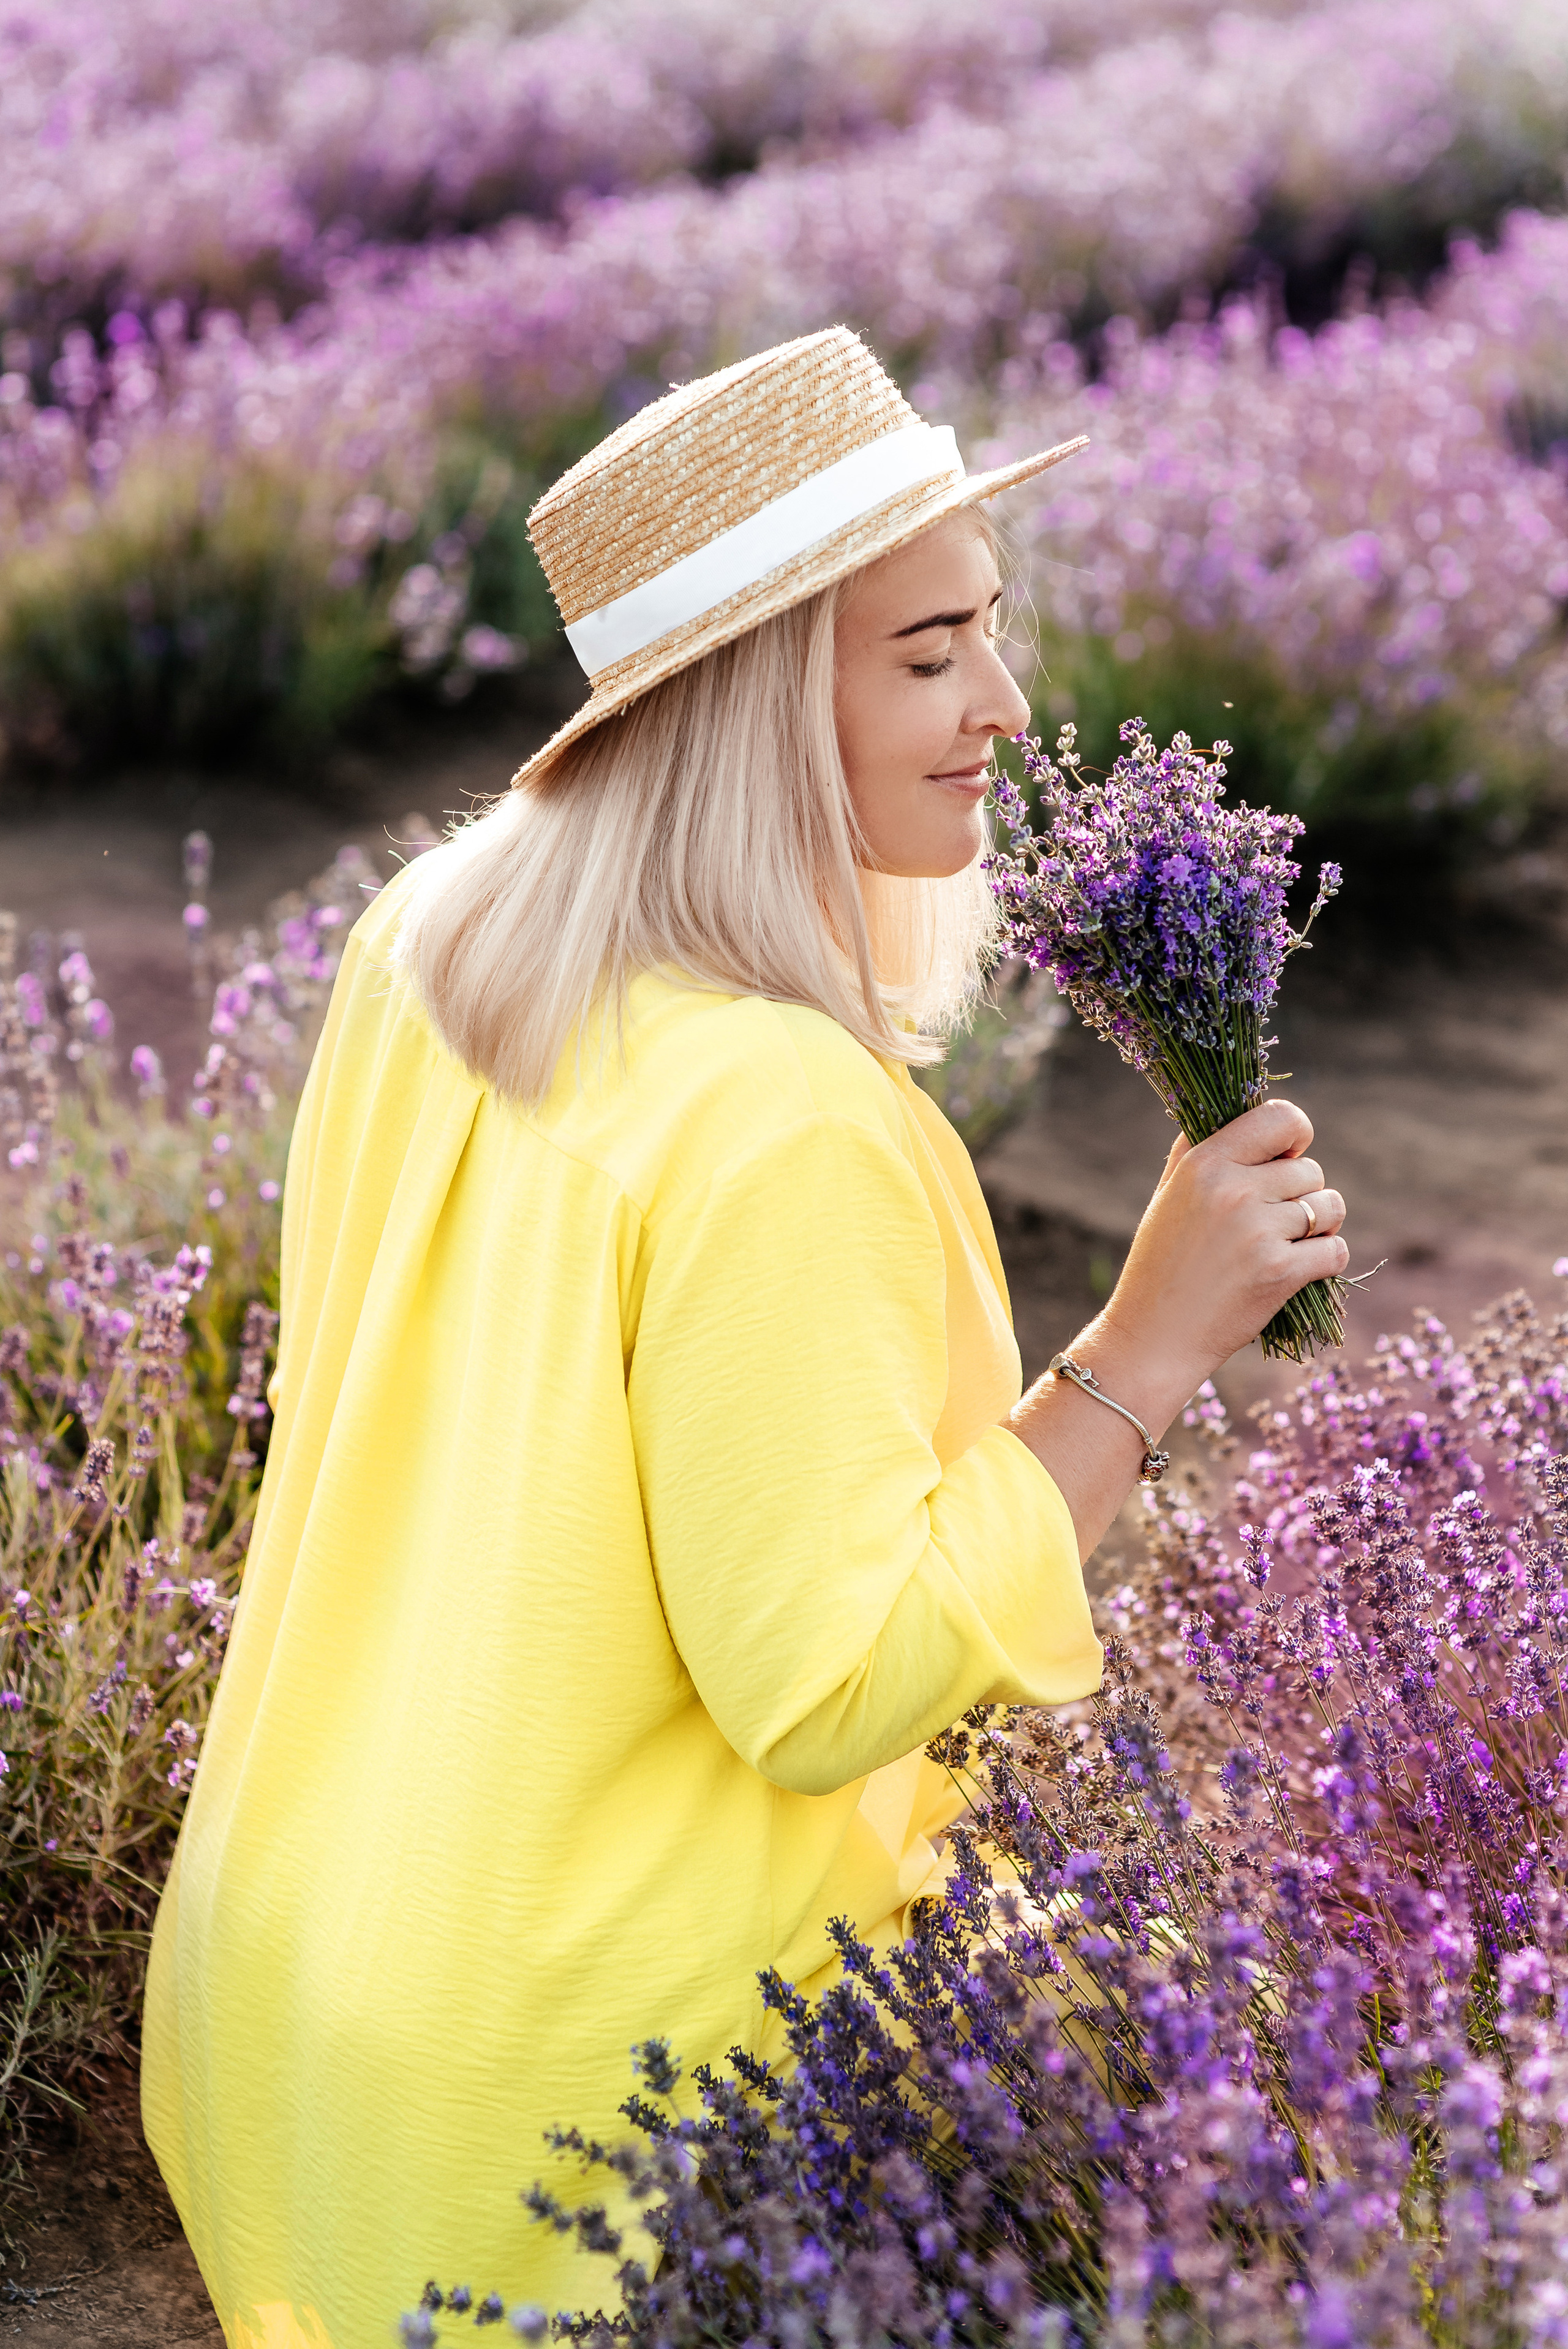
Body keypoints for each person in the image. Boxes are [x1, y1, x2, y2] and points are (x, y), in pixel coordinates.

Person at [141, 327, 1348, 2348]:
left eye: (990, 631)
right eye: (929, 650)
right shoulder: (780, 1112)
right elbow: (830, 1687)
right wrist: (1151, 1340)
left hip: (296, 2007)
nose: (1007, 703)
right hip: (575, 2131)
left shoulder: (432, 937)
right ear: (764, 698)